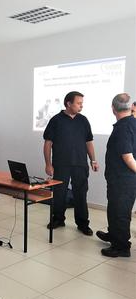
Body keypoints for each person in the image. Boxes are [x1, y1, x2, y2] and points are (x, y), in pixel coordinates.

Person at [43, 91, 98, 236]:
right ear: (69, 103)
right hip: (61, 164)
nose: (81, 106)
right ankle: (58, 219)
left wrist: (93, 160)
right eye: (79, 103)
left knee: (80, 193)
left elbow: (89, 142)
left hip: (80, 164)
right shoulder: (56, 120)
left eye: (82, 103)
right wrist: (48, 164)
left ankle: (82, 223)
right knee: (59, 193)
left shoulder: (83, 120)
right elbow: (48, 143)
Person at [96, 93, 136, 257]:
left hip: (123, 180)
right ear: (131, 107)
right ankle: (114, 235)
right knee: (114, 208)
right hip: (119, 179)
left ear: (113, 109)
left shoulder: (122, 128)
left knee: (120, 212)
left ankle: (121, 247)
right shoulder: (133, 123)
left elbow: (128, 157)